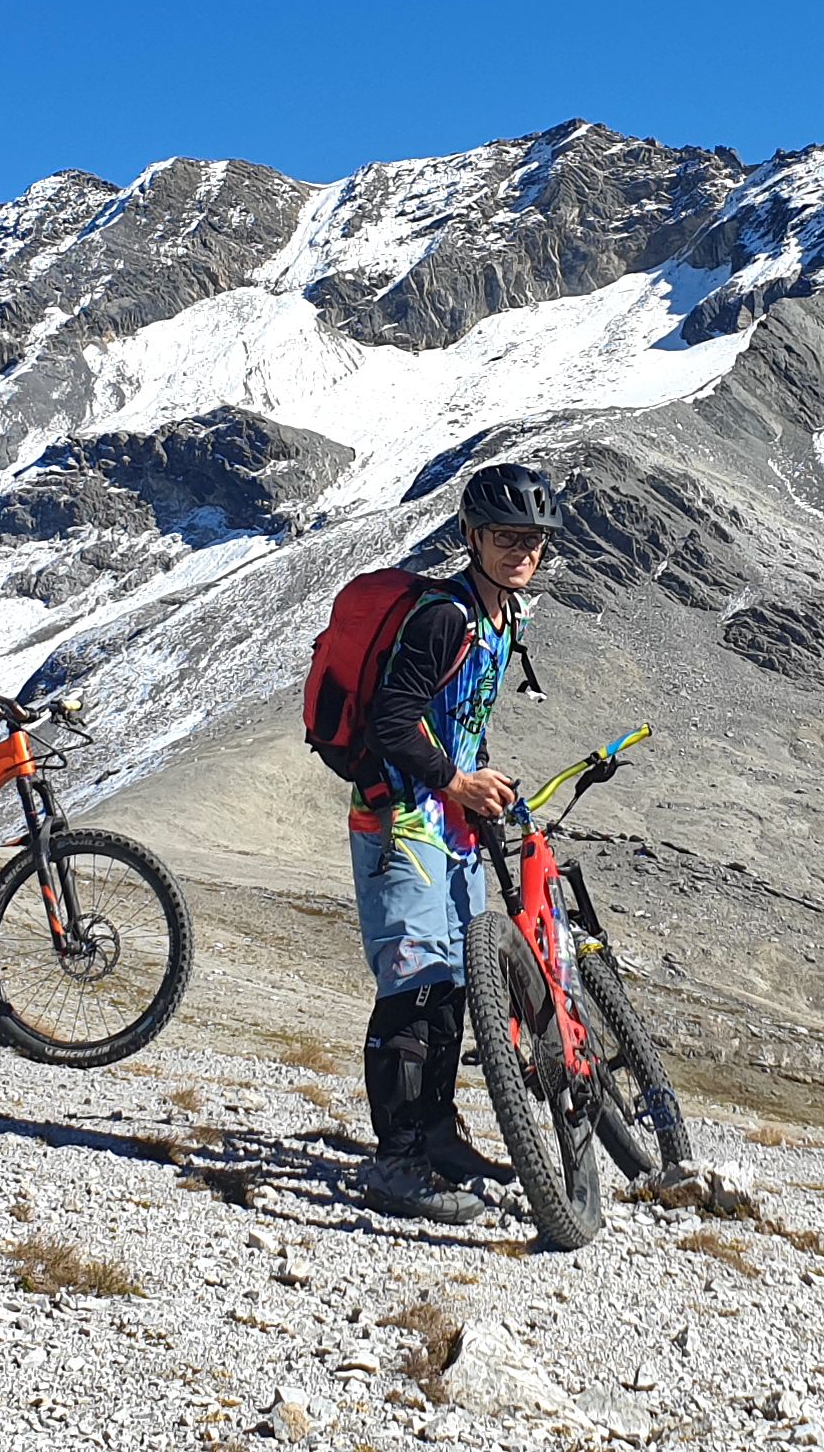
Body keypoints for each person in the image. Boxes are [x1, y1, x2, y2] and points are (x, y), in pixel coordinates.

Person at [345, 462, 558, 1223]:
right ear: (472, 536)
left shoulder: (506, 618)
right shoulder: (447, 618)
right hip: (399, 820)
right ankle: (395, 1160)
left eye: (533, 539)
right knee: (412, 983)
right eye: (505, 537)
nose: (521, 551)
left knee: (455, 981)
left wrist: (478, 782)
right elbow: (390, 723)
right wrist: (456, 782)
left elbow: (459, 718)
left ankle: (436, 1134)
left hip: (451, 822)